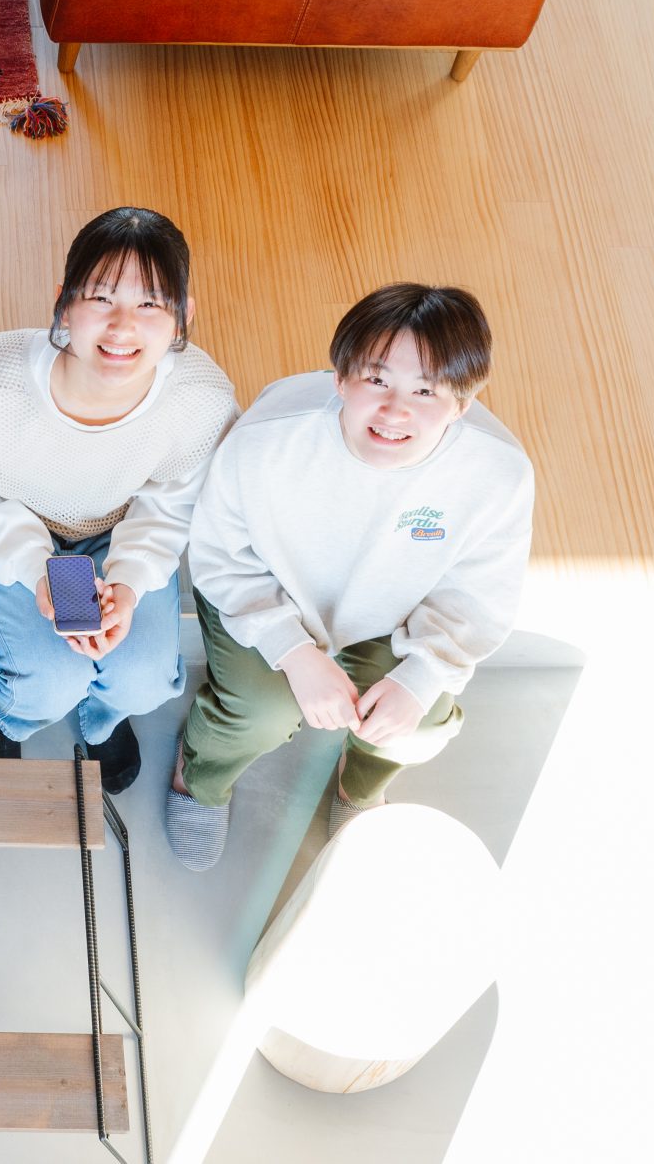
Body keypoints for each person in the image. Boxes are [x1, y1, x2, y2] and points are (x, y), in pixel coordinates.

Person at [164, 284, 534, 871]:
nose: (395, 411)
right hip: (265, 596)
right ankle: (199, 777)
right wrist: (294, 652)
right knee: (258, 713)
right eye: (376, 380)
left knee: (416, 720)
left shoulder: (498, 474)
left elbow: (478, 595)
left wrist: (420, 678)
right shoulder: (266, 440)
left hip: (393, 617)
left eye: (425, 391)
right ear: (340, 378)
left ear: (462, 404)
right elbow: (221, 555)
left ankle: (358, 788)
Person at [0, 208, 236, 793]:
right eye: (101, 298)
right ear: (64, 302)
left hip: (123, 526)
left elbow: (171, 505)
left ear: (183, 314)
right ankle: (4, 708)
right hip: (13, 523)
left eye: (150, 304)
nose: (123, 327)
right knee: (47, 681)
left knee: (143, 679)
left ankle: (104, 718)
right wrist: (39, 570)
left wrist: (129, 581)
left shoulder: (201, 400)